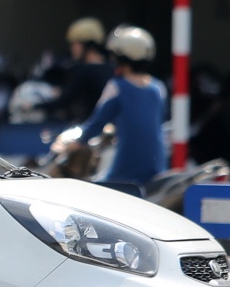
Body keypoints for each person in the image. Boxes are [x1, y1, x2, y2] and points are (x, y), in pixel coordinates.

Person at [69, 24, 167, 187]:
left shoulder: (117, 87)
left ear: (123, 58)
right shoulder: (159, 88)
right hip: (157, 168)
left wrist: (76, 144)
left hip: (125, 170)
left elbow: (96, 124)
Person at [58, 17, 114, 123]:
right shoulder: (112, 67)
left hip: (92, 129)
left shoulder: (86, 70)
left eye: (75, 44)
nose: (72, 48)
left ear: (87, 45)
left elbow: (64, 100)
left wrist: (34, 105)